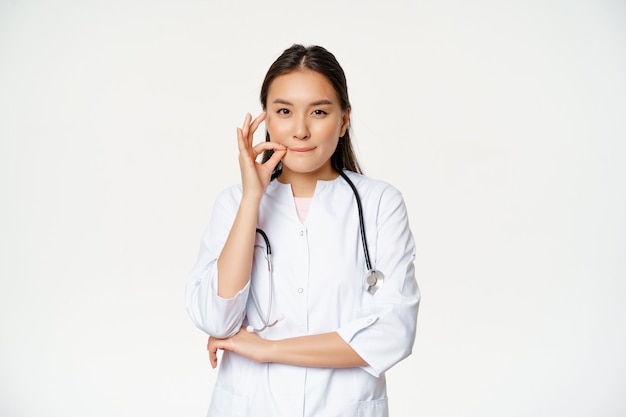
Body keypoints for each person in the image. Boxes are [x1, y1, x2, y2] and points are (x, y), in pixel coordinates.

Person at [185, 44, 420, 417]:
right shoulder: (234, 204)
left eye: (319, 112)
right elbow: (216, 319)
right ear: (267, 121)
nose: (300, 130)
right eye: (283, 111)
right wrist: (252, 200)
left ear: (343, 121)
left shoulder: (379, 204)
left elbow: (392, 334)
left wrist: (270, 349)